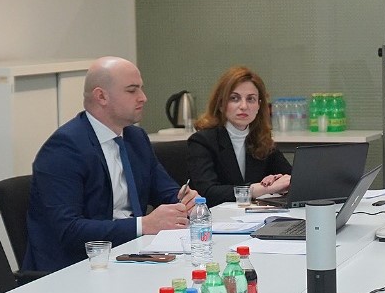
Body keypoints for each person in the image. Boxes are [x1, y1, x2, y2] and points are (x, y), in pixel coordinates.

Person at [23, 56, 198, 272]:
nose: (143, 98)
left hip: (131, 253)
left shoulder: (135, 138)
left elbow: (166, 191)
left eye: (141, 89)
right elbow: (68, 230)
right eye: (132, 90)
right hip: (78, 267)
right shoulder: (64, 148)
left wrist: (186, 201)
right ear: (101, 96)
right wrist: (144, 225)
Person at [187, 66, 292, 207]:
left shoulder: (262, 140)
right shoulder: (202, 141)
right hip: (216, 217)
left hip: (252, 216)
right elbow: (207, 193)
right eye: (234, 98)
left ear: (259, 105)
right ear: (221, 104)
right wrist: (260, 189)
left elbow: (294, 178)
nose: (243, 106)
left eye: (251, 99)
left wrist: (280, 180)